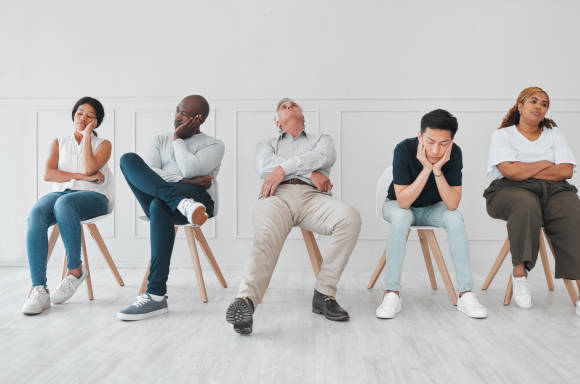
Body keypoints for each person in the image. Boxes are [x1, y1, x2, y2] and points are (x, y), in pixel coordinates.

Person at [225, 98, 361, 335]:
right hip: (276, 196)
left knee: (350, 217)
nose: (288, 106)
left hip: (314, 198)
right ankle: (246, 301)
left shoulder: (322, 139)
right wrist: (312, 172)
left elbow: (324, 156)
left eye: (293, 105)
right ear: (277, 122)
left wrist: (283, 169)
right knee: (265, 237)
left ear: (303, 118)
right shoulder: (266, 143)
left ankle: (324, 293)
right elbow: (264, 167)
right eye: (283, 107)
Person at [484, 86, 580, 323]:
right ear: (520, 105)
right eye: (533, 101)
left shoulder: (554, 134)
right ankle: (520, 275)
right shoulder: (503, 135)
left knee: (573, 215)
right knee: (525, 205)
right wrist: (545, 164)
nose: (539, 106)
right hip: (508, 191)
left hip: (555, 191)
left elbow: (566, 170)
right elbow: (509, 171)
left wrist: (526, 167)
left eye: (544, 103)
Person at [116, 95, 224, 321]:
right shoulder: (158, 140)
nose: (177, 116)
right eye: (177, 110)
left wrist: (178, 139)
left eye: (184, 113)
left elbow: (189, 169)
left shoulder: (214, 144)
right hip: (182, 201)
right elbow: (149, 173)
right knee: (128, 159)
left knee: (159, 204)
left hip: (200, 202)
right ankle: (180, 203)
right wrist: (184, 183)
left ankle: (155, 295)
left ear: (199, 118)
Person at [376, 109, 487, 319]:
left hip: (432, 209)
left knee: (455, 218)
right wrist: (426, 168)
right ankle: (392, 293)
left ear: (451, 141)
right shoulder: (403, 149)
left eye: (444, 143)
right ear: (420, 136)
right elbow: (404, 201)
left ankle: (466, 294)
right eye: (430, 141)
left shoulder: (455, 153)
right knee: (401, 217)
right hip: (397, 206)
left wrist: (437, 170)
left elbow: (452, 203)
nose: (436, 149)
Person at [23, 97, 113, 315]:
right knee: (36, 213)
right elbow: (49, 174)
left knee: (64, 204)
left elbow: (91, 166)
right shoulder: (59, 143)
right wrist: (80, 175)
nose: (83, 118)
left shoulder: (102, 144)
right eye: (80, 113)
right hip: (62, 194)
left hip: (95, 197)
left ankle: (75, 270)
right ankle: (39, 288)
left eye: (90, 116)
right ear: (74, 114)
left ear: (97, 122)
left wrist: (86, 137)